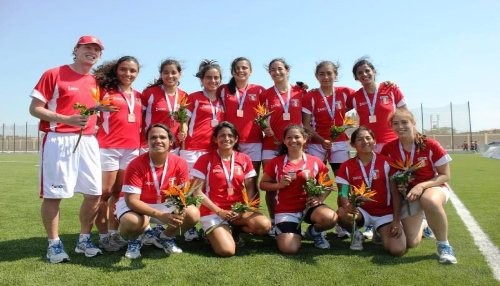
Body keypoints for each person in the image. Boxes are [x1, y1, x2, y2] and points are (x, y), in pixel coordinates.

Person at [29, 35, 105, 263]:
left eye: (97, 49)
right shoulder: (53, 73)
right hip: (59, 140)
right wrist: (67, 119)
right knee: (54, 195)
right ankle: (53, 244)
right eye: (87, 47)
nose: (92, 51)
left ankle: (84, 240)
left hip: (89, 141)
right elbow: (34, 108)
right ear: (76, 49)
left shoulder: (97, 81)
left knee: (94, 194)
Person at [381, 109, 457, 264]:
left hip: (433, 188)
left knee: (429, 200)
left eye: (404, 122)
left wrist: (421, 186)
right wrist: (396, 218)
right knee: (411, 242)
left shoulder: (430, 144)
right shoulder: (388, 149)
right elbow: (393, 185)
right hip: (409, 196)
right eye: (395, 123)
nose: (400, 126)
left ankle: (444, 245)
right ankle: (425, 223)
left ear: (413, 123)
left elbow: (445, 175)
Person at [116, 123, 200, 259]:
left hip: (165, 203)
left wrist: (179, 211)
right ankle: (134, 239)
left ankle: (166, 236)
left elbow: (183, 195)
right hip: (138, 204)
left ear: (171, 141)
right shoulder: (135, 164)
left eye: (162, 137)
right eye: (153, 137)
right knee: (131, 222)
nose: (158, 141)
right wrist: (160, 215)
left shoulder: (180, 163)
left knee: (193, 213)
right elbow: (131, 201)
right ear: (147, 141)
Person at [190, 121, 271, 257]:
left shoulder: (244, 158)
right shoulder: (205, 159)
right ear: (215, 139)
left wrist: (244, 209)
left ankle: (234, 230)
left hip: (237, 210)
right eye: (222, 135)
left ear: (236, 138)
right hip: (213, 211)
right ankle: (209, 234)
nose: (226, 138)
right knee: (226, 251)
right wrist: (219, 211)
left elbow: (251, 188)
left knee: (264, 226)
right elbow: (196, 191)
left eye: (230, 135)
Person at [260, 125, 337, 254]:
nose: (293, 141)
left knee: (330, 217)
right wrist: (279, 185)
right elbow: (263, 185)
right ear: (284, 141)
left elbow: (328, 184)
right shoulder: (275, 162)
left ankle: (314, 232)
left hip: (309, 208)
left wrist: (320, 198)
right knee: (289, 249)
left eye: (297, 137)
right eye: (289, 138)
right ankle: (287, 231)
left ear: (305, 139)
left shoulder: (315, 161)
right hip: (286, 210)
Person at [93, 56, 143, 251]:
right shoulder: (105, 92)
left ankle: (114, 233)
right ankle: (103, 234)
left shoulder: (139, 96)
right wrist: (96, 107)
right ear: (116, 70)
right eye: (123, 69)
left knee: (118, 193)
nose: (127, 74)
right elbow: (91, 109)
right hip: (108, 147)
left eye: (132, 71)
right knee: (104, 193)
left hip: (131, 149)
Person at [302, 61, 355, 239]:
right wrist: (320, 139)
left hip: (339, 144)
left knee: (344, 185)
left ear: (335, 75)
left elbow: (367, 95)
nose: (326, 77)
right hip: (317, 145)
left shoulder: (345, 93)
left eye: (329, 73)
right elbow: (306, 125)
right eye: (322, 74)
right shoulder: (310, 96)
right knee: (315, 184)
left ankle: (342, 220)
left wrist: (385, 85)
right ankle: (317, 220)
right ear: (317, 76)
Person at [335, 126, 406, 256]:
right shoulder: (346, 166)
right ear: (353, 144)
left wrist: (396, 219)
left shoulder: (387, 162)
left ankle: (380, 232)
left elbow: (396, 194)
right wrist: (347, 206)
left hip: (385, 213)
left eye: (368, 138)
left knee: (397, 250)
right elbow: (343, 192)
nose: (365, 142)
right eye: (360, 139)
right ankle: (357, 234)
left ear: (374, 141)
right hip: (362, 212)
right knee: (341, 213)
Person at [259, 58, 307, 234]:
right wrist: (267, 129)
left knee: (298, 183)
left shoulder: (300, 91)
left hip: (294, 144)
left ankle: (297, 220)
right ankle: (273, 221)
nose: (276, 72)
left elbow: (307, 117)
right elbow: (260, 118)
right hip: (271, 145)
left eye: (280, 69)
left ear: (287, 70)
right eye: (272, 70)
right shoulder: (265, 94)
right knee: (272, 184)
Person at [219, 57, 265, 190]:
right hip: (230, 141)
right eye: (237, 68)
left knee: (251, 181)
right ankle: (231, 209)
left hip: (254, 141)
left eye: (244, 68)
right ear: (232, 71)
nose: (241, 70)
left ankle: (251, 211)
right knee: (230, 178)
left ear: (250, 71)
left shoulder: (259, 90)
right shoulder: (223, 90)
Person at [351, 57, 407, 153]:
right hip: (368, 145)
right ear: (356, 78)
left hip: (392, 142)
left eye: (367, 70)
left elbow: (406, 115)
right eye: (360, 73)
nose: (364, 74)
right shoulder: (354, 97)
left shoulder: (391, 89)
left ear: (374, 72)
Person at [180, 59, 225, 170]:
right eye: (208, 77)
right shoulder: (193, 97)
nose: (213, 80)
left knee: (210, 184)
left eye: (216, 77)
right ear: (202, 79)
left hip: (214, 148)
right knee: (191, 185)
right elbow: (184, 121)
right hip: (193, 148)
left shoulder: (223, 100)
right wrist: (183, 130)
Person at [141, 59, 189, 154]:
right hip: (150, 144)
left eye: (173, 72)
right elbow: (139, 116)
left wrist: (184, 131)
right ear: (161, 74)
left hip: (173, 146)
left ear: (180, 74)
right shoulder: (150, 93)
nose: (170, 76)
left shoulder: (184, 95)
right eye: (166, 72)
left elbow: (184, 121)